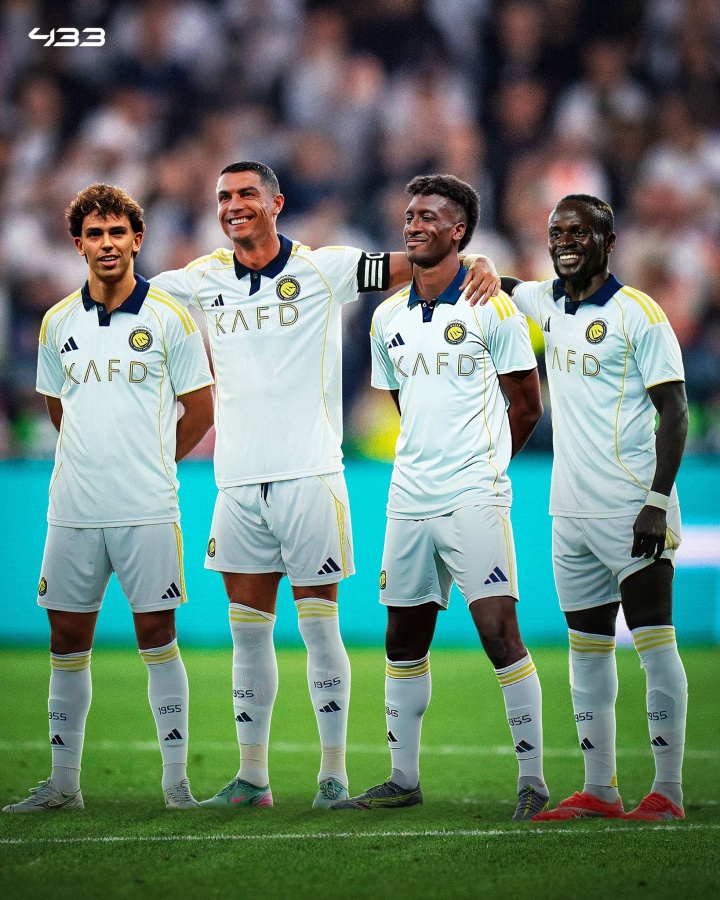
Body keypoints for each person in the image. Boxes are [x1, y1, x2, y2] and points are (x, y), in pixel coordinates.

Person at [151, 161, 500, 809]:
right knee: (247, 635)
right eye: (224, 196)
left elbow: (420, 262)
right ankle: (252, 778)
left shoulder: (324, 268)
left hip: (311, 476)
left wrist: (479, 263)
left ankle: (332, 776)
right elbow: (128, 291)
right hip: (236, 483)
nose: (233, 205)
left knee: (319, 630)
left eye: (247, 194)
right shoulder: (201, 278)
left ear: (276, 202)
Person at [330, 174, 549, 821]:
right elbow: (405, 403)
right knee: (402, 639)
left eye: (429, 216)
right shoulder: (385, 317)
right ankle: (403, 777)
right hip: (408, 497)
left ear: (459, 231)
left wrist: (486, 466)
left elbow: (527, 404)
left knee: (499, 633)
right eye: (409, 215)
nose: (414, 224)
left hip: (474, 494)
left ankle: (533, 781)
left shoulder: (492, 307)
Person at [472, 194, 688, 822]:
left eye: (580, 232)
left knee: (654, 643)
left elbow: (674, 411)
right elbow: (505, 285)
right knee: (587, 650)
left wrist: (656, 501)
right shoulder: (547, 302)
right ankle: (601, 789)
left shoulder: (638, 313)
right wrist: (480, 263)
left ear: (609, 241)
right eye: (557, 232)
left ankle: (668, 792)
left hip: (632, 508)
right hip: (568, 514)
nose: (565, 241)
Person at [3, 184, 215, 814]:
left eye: (117, 232)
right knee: (66, 641)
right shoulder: (56, 322)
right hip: (73, 508)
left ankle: (176, 785)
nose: (107, 244)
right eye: (94, 234)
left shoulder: (170, 318)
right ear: (78, 245)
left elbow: (201, 411)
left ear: (137, 239)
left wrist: (151, 463)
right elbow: (57, 406)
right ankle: (63, 784)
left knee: (157, 635)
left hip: (148, 507)